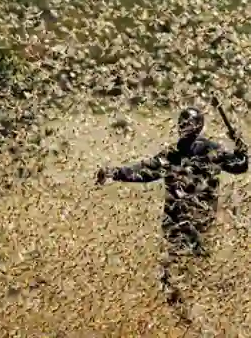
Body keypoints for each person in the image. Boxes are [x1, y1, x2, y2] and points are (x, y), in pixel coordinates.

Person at [96, 106, 248, 310]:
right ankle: (187, 310)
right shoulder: (174, 153)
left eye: (187, 124)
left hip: (194, 221)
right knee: (176, 269)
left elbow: (239, 165)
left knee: (185, 267)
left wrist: (241, 149)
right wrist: (114, 172)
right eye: (182, 123)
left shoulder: (207, 150)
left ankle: (200, 306)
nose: (184, 127)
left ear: (197, 126)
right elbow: (144, 170)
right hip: (178, 222)